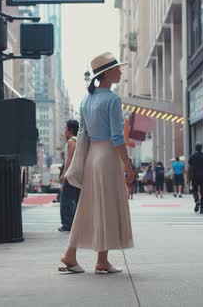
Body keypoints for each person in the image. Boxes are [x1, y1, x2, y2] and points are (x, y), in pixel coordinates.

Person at [59, 52, 134, 275]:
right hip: (108, 156)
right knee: (107, 206)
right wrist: (128, 167)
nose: (120, 71)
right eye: (117, 69)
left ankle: (74, 254)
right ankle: (100, 260)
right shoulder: (112, 100)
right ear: (107, 73)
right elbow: (117, 137)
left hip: (92, 156)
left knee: (88, 207)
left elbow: (83, 133)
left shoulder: (86, 100)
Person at [58, 120, 81, 232]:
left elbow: (70, 159)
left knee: (66, 200)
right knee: (76, 200)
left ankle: (67, 224)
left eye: (65, 128)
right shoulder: (79, 141)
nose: (64, 131)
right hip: (78, 174)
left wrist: (64, 174)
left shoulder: (71, 142)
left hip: (70, 174)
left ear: (70, 130)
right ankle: (76, 224)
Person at [188, 144, 203, 214]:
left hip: (194, 175)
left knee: (195, 190)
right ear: (201, 148)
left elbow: (189, 167)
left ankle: (197, 201)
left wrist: (188, 177)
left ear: (195, 148)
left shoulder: (192, 156)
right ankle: (202, 208)